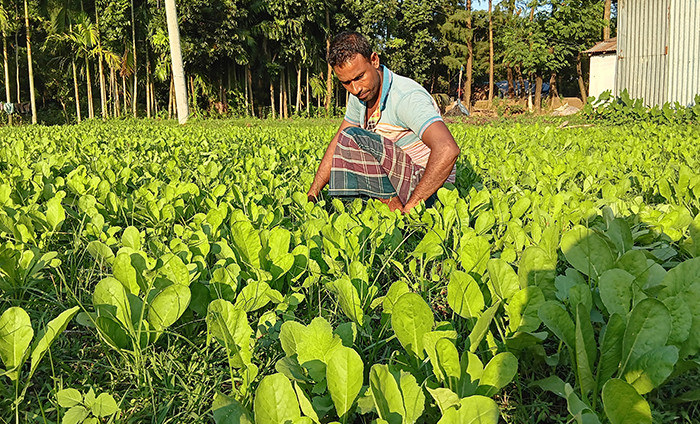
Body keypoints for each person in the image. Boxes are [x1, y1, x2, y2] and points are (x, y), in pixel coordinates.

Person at [306, 31, 460, 213]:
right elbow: (338, 142)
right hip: (400, 178)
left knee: (353, 138)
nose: (355, 89)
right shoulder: (361, 95)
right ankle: (385, 207)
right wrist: (312, 194)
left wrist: (411, 208)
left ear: (374, 60)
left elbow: (448, 149)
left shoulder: (406, 97)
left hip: (431, 190)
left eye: (359, 77)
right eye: (346, 83)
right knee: (346, 143)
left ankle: (398, 214)